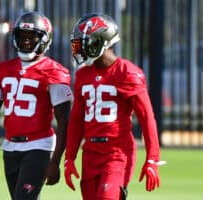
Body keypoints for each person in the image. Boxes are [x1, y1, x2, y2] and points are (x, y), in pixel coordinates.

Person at [0, 11, 73, 200]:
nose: (26, 41)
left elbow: (64, 122)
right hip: (10, 147)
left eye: (32, 37)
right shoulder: (4, 70)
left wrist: (55, 162)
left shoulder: (54, 72)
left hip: (39, 146)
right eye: (22, 36)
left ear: (44, 39)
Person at [63, 13, 166, 200]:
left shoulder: (127, 72)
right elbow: (77, 120)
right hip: (90, 153)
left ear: (100, 42)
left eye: (84, 42)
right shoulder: (83, 75)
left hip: (117, 152)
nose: (79, 48)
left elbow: (146, 117)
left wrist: (152, 158)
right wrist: (70, 157)